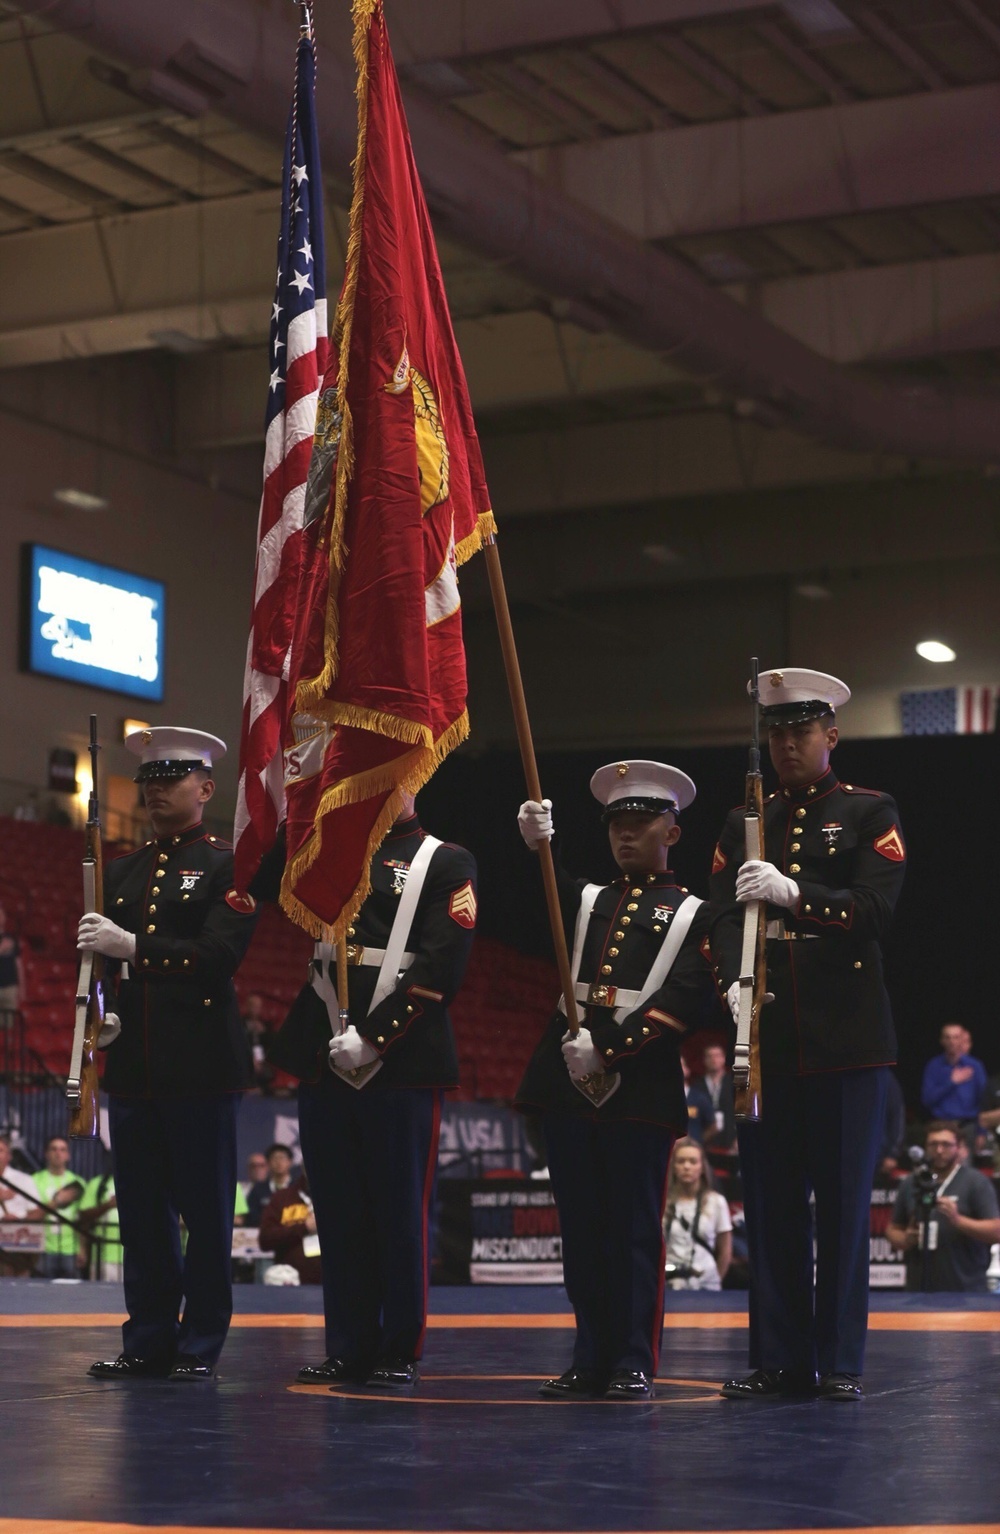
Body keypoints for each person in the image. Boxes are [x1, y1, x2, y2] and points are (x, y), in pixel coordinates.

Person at [710, 668, 906, 1402]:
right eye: (777, 733)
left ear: (832, 735)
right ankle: (779, 1359)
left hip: (848, 1042)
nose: (788, 744)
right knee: (774, 1208)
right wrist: (732, 980)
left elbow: (874, 910)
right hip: (768, 1039)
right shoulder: (743, 823)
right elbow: (723, 917)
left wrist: (797, 895)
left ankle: (842, 1361)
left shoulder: (868, 812)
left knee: (845, 1212)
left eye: (801, 731)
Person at [251, 792, 477, 1390]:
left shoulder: (446, 862)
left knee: (399, 1212)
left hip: (401, 1061)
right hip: (325, 1051)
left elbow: (441, 967)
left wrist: (375, 1038)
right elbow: (267, 882)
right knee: (340, 1212)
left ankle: (397, 1346)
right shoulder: (329, 847)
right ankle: (347, 1344)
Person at [516, 760, 721, 1401]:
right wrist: (538, 850)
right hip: (566, 1085)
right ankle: (589, 1354)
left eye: (641, 823)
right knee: (580, 1228)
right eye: (616, 825)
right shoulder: (583, 901)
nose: (626, 836)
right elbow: (537, 909)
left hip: (641, 1086)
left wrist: (608, 1047)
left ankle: (632, 1358)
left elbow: (687, 1000)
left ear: (673, 832)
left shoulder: (698, 916)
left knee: (633, 1230)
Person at [79, 727, 258, 1381]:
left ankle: (200, 1340)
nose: (155, 790)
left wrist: (132, 948)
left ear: (205, 788)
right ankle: (148, 1336)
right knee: (142, 1216)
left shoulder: (229, 866)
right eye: (149, 780)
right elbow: (105, 977)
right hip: (135, 1068)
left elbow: (218, 958)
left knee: (206, 1214)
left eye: (171, 779)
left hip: (200, 1066)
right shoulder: (122, 870)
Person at [886, 1121, 1000, 1292]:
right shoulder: (912, 1182)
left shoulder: (975, 1182)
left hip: (966, 1289)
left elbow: (996, 1231)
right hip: (918, 1287)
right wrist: (905, 1239)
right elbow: (893, 1228)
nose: (939, 1150)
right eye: (933, 1144)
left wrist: (958, 1220)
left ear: (959, 1147)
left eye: (946, 1144)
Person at [663, 1137, 732, 1290]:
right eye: (681, 1161)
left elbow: (725, 1252)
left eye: (693, 1161)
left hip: (706, 1283)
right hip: (669, 1284)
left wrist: (715, 1281)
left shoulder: (716, 1202)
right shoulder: (662, 1202)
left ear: (701, 1167)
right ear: (673, 1166)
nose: (686, 1166)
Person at [32, 1136, 85, 1278]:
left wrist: (82, 1248)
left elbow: (81, 1219)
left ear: (68, 1155)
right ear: (46, 1154)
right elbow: (32, 1214)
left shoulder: (77, 1182)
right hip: (42, 1247)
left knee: (71, 1296)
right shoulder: (35, 1180)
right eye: (53, 1149)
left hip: (70, 1249)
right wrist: (57, 1201)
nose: (58, 1153)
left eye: (62, 1149)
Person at [921, 1023, 987, 1133]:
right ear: (942, 1040)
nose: (952, 1041)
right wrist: (951, 1082)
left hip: (969, 1126)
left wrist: (981, 1131)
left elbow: (984, 1101)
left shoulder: (975, 1066)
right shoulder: (933, 1066)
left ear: (963, 1040)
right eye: (948, 1037)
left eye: (956, 1037)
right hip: (942, 1125)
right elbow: (927, 1100)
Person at [259, 1171, 322, 1285]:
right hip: (291, 1283)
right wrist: (304, 1227)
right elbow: (265, 1239)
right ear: (302, 1167)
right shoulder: (282, 1198)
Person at [0, 1133, 42, 1277]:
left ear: (9, 1156)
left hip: (17, 1242)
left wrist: (18, 1220)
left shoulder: (23, 1180)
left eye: (0, 1151)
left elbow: (37, 1211)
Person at [694, 1041, 736, 1149]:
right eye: (709, 1056)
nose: (713, 1060)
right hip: (704, 1141)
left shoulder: (733, 1082)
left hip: (730, 1139)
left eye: (717, 1056)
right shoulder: (697, 1085)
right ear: (704, 1060)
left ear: (724, 1058)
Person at [245, 1143, 296, 1229]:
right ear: (268, 1163)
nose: (279, 1162)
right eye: (275, 1158)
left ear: (290, 1162)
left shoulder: (299, 1188)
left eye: (282, 1158)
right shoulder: (258, 1189)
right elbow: (251, 1217)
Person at [0, 904, 24, 1025]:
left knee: (9, 1025)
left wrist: (22, 986)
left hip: (10, 986)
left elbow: (18, 964)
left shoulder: (11, 939)